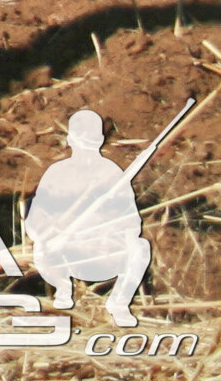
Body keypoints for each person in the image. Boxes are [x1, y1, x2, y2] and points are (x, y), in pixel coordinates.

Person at [27, 107, 155, 325]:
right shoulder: (57, 172)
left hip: (104, 253)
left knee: (140, 248)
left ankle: (119, 304)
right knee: (40, 249)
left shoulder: (111, 173)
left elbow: (132, 222)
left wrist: (108, 231)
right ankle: (63, 290)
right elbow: (34, 221)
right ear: (70, 141)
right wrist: (55, 233)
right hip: (67, 254)